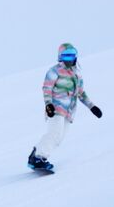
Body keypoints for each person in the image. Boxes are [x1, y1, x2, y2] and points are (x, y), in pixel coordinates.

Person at [28, 42, 102, 172]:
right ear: (60, 57)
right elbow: (47, 88)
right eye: (66, 57)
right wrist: (48, 105)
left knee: (59, 138)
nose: (69, 60)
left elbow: (80, 93)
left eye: (71, 56)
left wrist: (92, 107)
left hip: (69, 111)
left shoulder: (77, 74)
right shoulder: (54, 71)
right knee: (54, 133)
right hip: (56, 108)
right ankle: (39, 158)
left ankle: (36, 153)